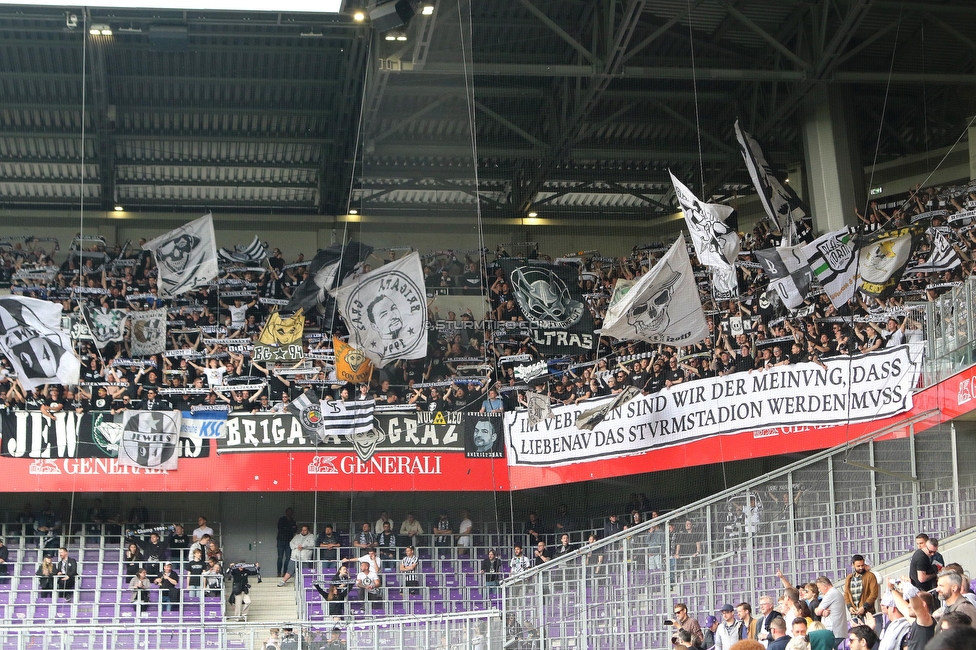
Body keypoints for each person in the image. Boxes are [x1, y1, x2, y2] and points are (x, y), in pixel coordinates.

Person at [813, 576, 846, 645]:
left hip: (833, 631)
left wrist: (819, 611)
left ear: (824, 586)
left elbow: (818, 611)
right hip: (836, 631)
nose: (819, 590)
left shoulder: (830, 594)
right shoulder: (835, 592)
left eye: (819, 587)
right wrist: (822, 612)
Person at [844, 554, 879, 619]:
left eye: (862, 565)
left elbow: (874, 594)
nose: (861, 568)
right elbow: (846, 594)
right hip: (854, 615)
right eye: (858, 566)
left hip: (868, 613)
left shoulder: (870, 576)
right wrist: (849, 607)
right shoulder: (849, 578)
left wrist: (864, 607)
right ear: (853, 565)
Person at [276, 508, 298, 578]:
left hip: (289, 541)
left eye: (291, 512)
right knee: (280, 557)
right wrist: (290, 528)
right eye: (288, 512)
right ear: (286, 512)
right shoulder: (282, 519)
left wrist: (288, 528)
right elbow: (280, 528)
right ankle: (279, 573)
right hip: (281, 540)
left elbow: (295, 530)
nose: (289, 513)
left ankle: (285, 573)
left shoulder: (293, 521)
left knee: (288, 558)